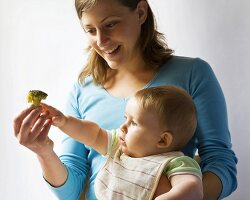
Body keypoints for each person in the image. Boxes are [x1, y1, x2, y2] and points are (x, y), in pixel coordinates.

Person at [13, 0, 237, 199]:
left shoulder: (192, 74)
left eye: (110, 24)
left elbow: (220, 164)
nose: (101, 40)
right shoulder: (82, 90)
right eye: (90, 30)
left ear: (140, 12)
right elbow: (72, 192)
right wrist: (43, 151)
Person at [41, 86, 203, 200]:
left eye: (134, 123)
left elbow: (192, 188)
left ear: (163, 140)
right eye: (126, 118)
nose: (123, 127)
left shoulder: (176, 163)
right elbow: (93, 134)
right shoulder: (118, 146)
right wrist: (64, 121)